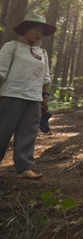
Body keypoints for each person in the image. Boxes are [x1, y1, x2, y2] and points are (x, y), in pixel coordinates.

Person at [0, 14, 56, 179]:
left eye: (41, 32)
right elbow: (1, 71)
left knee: (28, 133)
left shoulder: (42, 53)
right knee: (2, 131)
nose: (38, 34)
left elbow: (45, 77)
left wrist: (44, 97)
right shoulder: (12, 47)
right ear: (26, 29)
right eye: (35, 30)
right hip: (11, 95)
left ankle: (25, 168)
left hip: (33, 99)